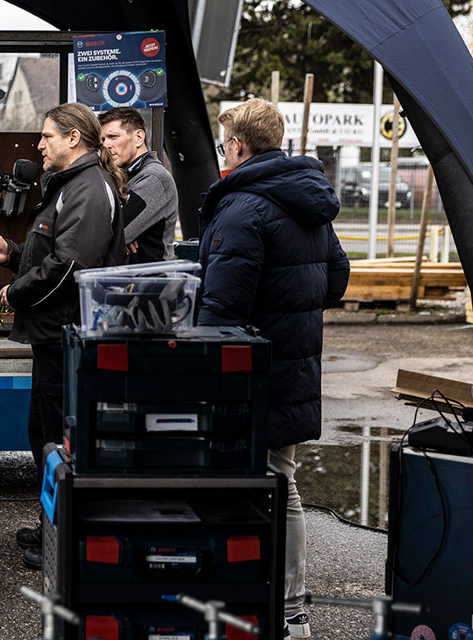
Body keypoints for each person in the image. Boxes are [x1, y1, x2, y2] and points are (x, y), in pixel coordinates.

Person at [197, 98, 350, 640]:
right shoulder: (309, 202)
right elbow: (335, 281)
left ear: (237, 146)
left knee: (246, 486)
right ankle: (289, 611)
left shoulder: (244, 207)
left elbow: (221, 308)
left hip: (248, 372)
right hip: (295, 364)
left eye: (223, 145)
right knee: (282, 482)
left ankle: (265, 608)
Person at [0, 103, 127, 571]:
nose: (39, 145)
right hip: (56, 332)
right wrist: (13, 254)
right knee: (45, 432)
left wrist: (16, 290)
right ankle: (53, 520)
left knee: (58, 436)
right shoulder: (75, 186)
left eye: (47, 136)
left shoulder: (88, 189)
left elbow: (70, 265)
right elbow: (55, 251)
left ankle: (66, 531)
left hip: (68, 333)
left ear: (73, 139)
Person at [98, 107, 179, 263]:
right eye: (103, 140)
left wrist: (119, 241)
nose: (106, 145)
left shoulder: (154, 178)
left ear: (138, 137)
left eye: (113, 137)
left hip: (152, 281)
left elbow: (112, 235)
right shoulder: (123, 176)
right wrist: (121, 242)